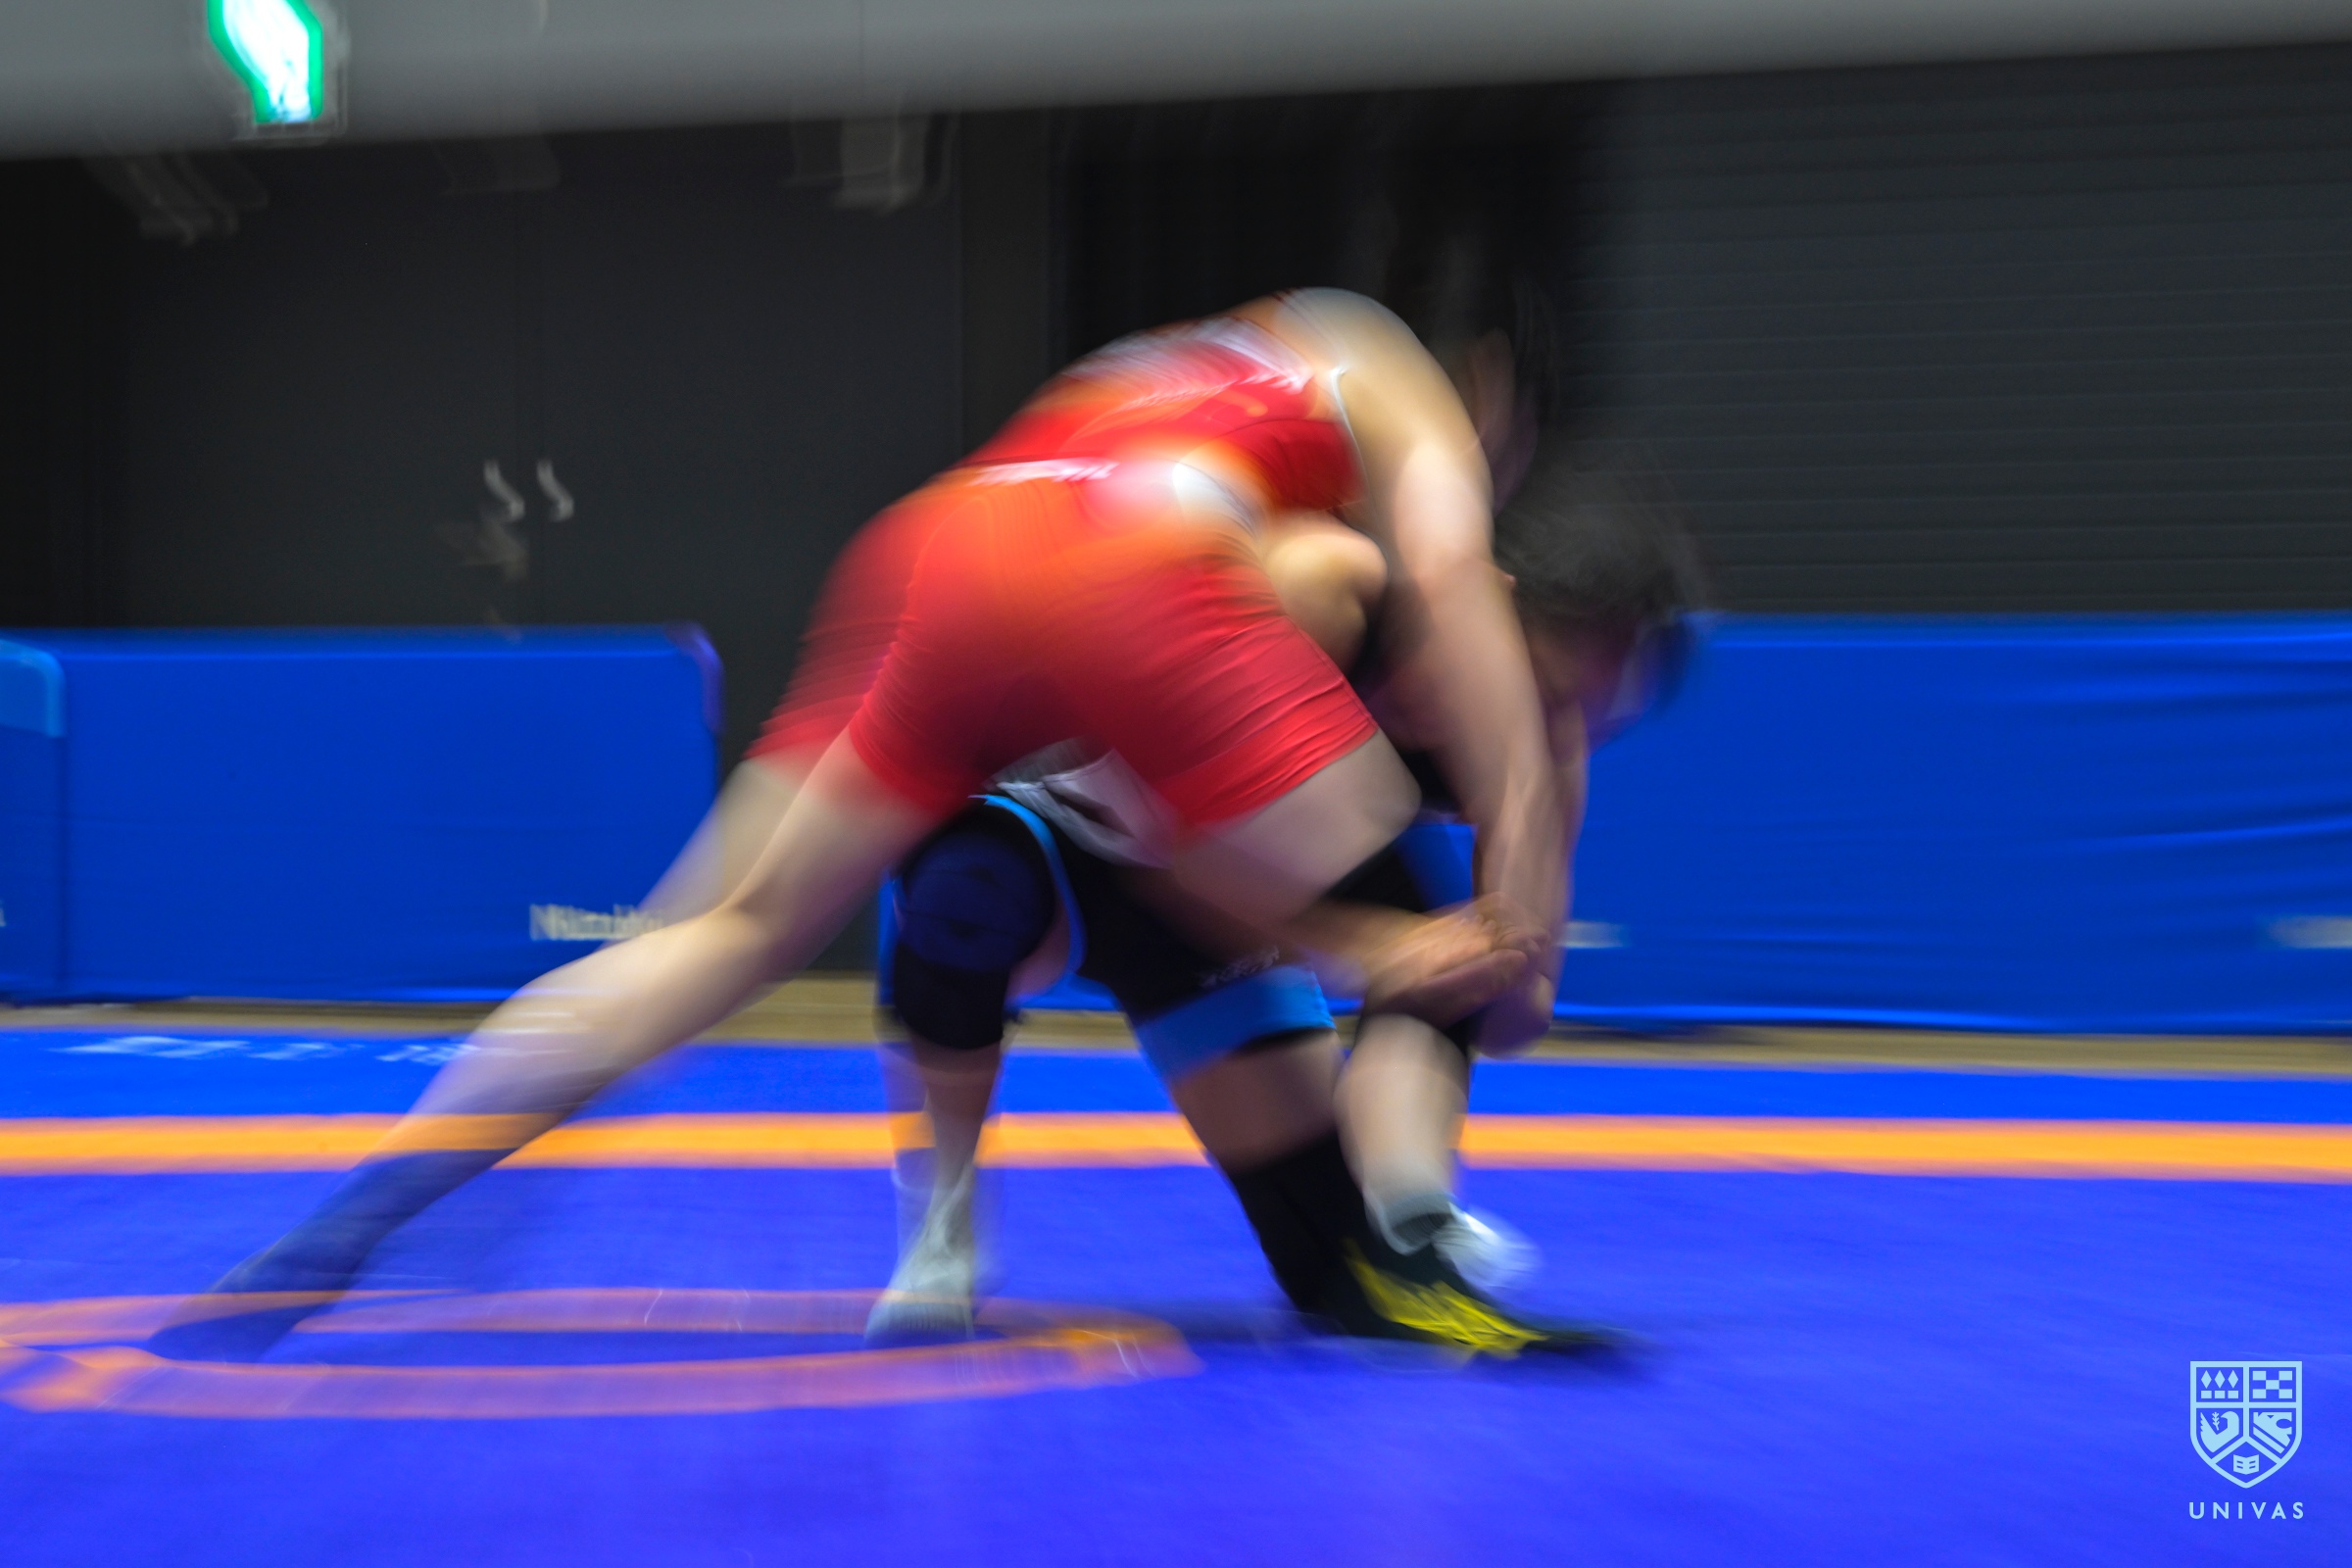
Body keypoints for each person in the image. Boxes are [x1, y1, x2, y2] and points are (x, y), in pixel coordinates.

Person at [152, 287, 1565, 1358]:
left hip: (947, 549)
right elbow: (1455, 587)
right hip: (1130, 573)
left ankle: (378, 1198)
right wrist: (1514, 886)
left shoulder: (1207, 367)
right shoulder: (1385, 405)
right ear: (1488, 398)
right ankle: (1403, 1197)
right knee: (1388, 849)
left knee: (724, 927)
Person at [869, 436, 1702, 1356]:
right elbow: (1164, 846)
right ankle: (944, 1221)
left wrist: (1509, 901)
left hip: (1220, 907)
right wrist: (1367, 947)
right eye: (1537, 691)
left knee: (1334, 1274)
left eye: (1579, 714)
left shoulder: (1540, 752)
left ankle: (1411, 1234)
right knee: (966, 894)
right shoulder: (1317, 589)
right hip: (1075, 822)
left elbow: (1515, 1018)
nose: (1535, 724)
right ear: (1482, 604)